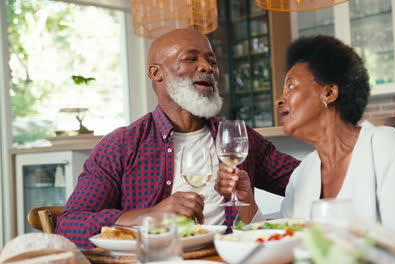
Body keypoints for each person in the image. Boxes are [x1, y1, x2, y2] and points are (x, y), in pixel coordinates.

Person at [55, 29, 300, 248]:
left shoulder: (236, 138)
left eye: (211, 60)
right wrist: (148, 216)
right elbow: (69, 226)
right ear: (156, 73)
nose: (206, 67)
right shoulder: (121, 145)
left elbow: (308, 182)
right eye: (191, 58)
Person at [215, 35, 395, 239]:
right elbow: (283, 242)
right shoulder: (304, 173)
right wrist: (245, 201)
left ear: (328, 93)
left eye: (291, 86)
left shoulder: (384, 146)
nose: (280, 99)